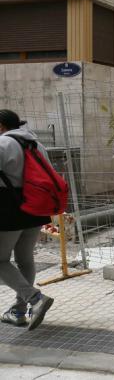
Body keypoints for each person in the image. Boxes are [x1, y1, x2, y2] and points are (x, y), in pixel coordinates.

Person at [0, 109, 54, 330]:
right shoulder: (37, 144)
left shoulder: (3, 143)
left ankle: (35, 299)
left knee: (0, 261)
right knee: (25, 259)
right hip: (36, 209)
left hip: (9, 210)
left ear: (1, 126)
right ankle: (19, 311)